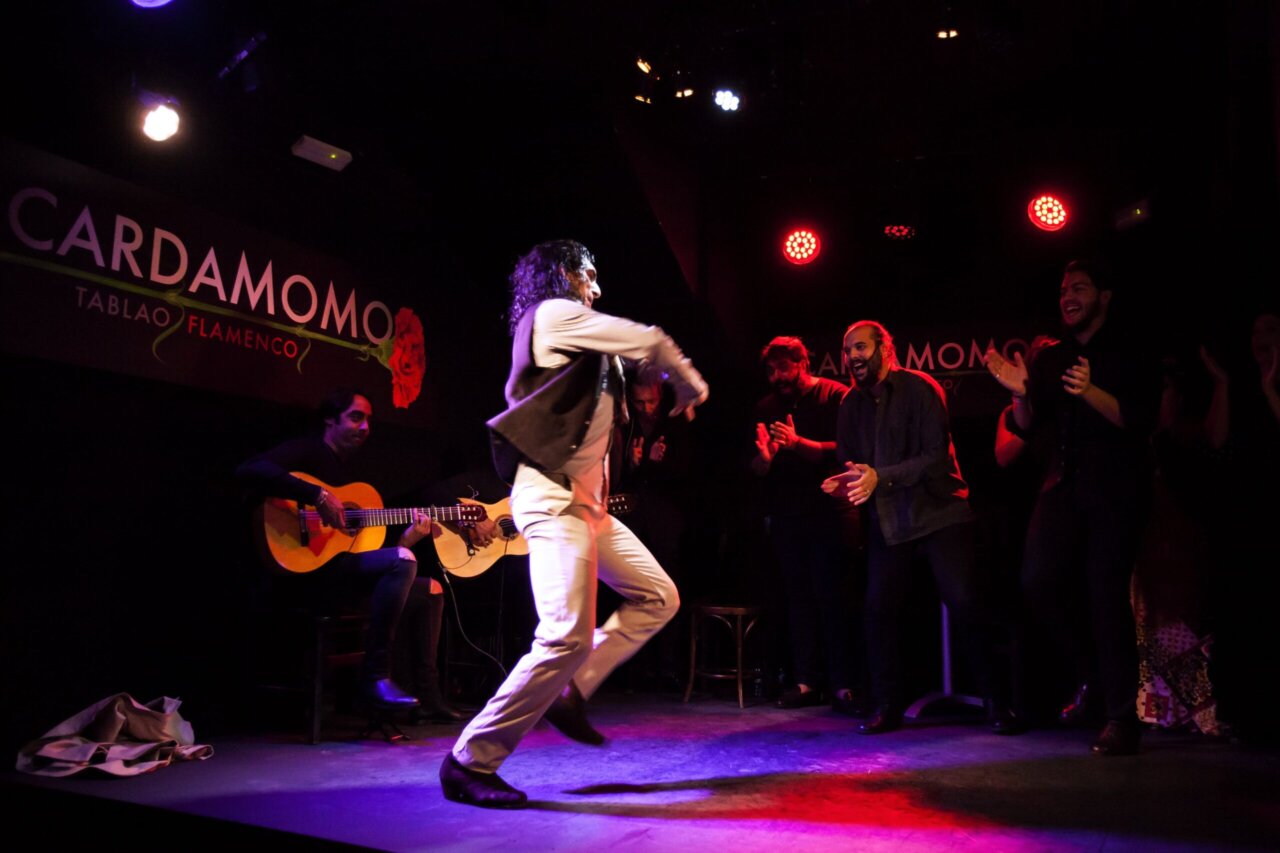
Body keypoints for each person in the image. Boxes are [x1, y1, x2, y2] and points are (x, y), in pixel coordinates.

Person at [439, 239, 708, 809]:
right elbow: (649, 339)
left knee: (658, 596)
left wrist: (654, 378)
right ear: (564, 273)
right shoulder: (552, 315)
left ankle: (572, 691)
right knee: (564, 633)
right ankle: (469, 761)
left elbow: (633, 365)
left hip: (588, 508)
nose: (597, 288)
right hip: (553, 498)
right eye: (590, 275)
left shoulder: (582, 343)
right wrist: (687, 378)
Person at [985, 259, 1161, 755]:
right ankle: (1093, 678)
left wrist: (1090, 391)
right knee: (1037, 582)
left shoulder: (1129, 350)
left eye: (1079, 288)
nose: (1068, 297)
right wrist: (1019, 394)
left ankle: (1121, 718)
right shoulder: (1054, 357)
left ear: (1104, 296)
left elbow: (1139, 420)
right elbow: (1028, 423)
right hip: (1062, 486)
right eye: (1064, 290)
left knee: (1106, 594)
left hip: (1116, 489)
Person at [823, 320, 1020, 736]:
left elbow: (935, 457)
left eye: (860, 347)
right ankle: (887, 706)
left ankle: (999, 702)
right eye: (847, 350)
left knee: (965, 603)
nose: (853, 356)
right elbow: (852, 460)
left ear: (884, 348)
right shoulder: (851, 404)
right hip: (890, 519)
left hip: (939, 513)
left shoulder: (919, 388)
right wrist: (849, 479)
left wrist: (880, 476)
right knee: (878, 610)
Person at [236, 389, 425, 713]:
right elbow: (249, 469)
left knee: (424, 584)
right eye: (356, 417)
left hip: (333, 575)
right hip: (297, 577)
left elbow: (359, 548)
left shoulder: (349, 476)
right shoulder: (309, 451)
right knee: (401, 562)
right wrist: (317, 495)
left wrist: (408, 538)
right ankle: (375, 677)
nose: (365, 427)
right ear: (329, 419)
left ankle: (425, 700)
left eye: (368, 420)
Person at [751, 336, 866, 716]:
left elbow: (849, 451)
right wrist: (765, 458)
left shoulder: (835, 395)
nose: (778, 377)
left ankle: (843, 684)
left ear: (803, 363)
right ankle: (806, 681)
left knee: (834, 598)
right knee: (798, 600)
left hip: (830, 514)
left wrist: (800, 443)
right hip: (788, 518)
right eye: (771, 371)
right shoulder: (767, 407)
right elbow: (756, 468)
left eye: (784, 368)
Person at [1198, 310, 1280, 745]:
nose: (1260, 338)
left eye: (1271, 330)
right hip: (1243, 518)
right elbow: (1216, 441)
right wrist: (1223, 384)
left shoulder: (1270, 386)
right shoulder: (1244, 384)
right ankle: (1243, 716)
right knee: (1240, 615)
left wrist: (1271, 389)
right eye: (1255, 330)